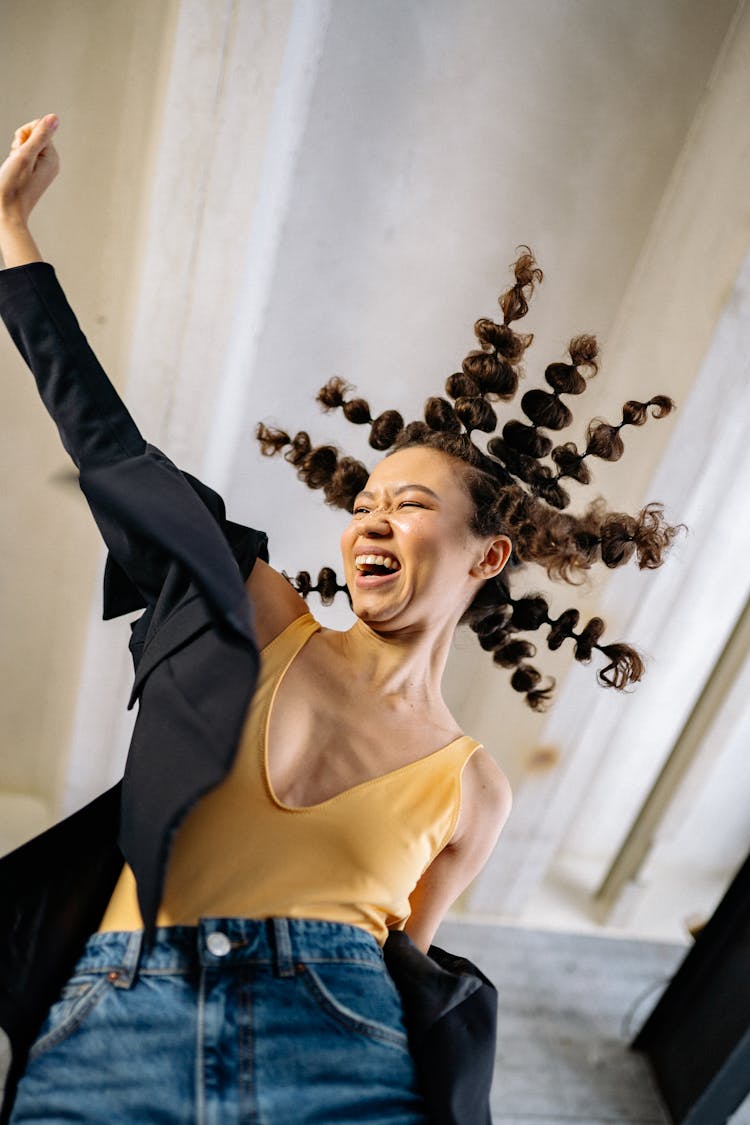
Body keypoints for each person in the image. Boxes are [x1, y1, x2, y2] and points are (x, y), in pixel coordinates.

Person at [0, 115, 679, 1124]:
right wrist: (11, 233)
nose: (372, 517)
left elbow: (410, 973)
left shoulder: (475, 793)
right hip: (119, 1023)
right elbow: (116, 452)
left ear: (487, 556)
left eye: (407, 505)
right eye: (363, 503)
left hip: (337, 1045)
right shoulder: (262, 617)